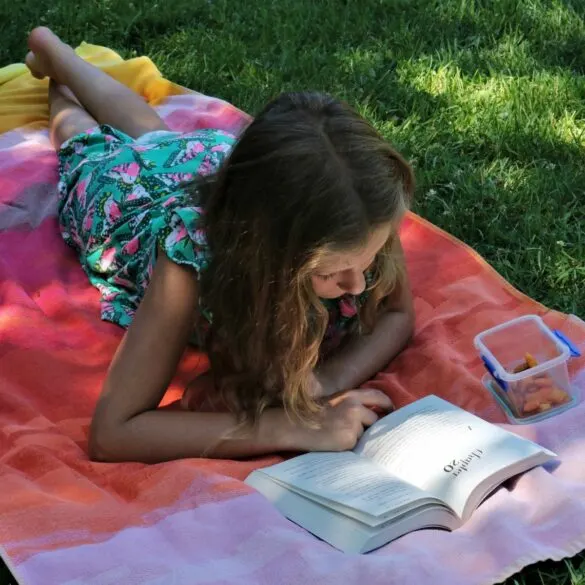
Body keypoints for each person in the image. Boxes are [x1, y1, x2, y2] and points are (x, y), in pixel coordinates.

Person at [25, 27, 415, 463]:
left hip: (200, 159)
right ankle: (56, 74)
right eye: (329, 273)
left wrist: (324, 382)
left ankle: (57, 54)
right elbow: (114, 432)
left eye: (368, 260)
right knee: (90, 146)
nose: (359, 286)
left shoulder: (358, 209)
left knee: (158, 137)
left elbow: (398, 314)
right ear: (264, 253)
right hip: (125, 203)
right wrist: (290, 425)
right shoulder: (189, 259)